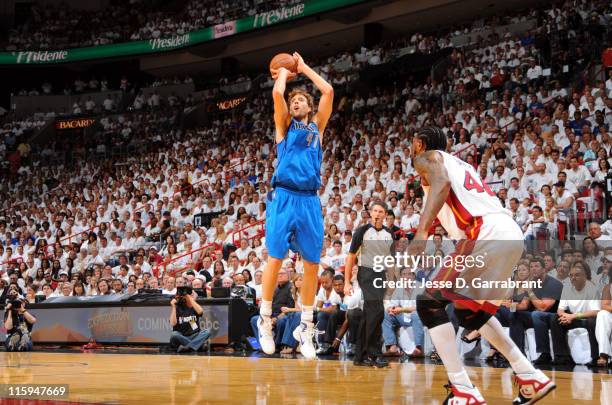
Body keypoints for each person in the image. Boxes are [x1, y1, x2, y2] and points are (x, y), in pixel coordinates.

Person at [408, 126, 554, 404]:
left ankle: (463, 390)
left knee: (428, 303)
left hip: (483, 232)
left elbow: (441, 184)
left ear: (420, 144)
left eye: (413, 144)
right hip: (509, 233)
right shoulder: (458, 163)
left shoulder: (427, 157)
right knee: (469, 314)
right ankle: (530, 376)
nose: (411, 150)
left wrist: (421, 232)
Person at [257, 51, 333, 360]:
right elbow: (278, 94)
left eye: (300, 101)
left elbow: (327, 90)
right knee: (276, 258)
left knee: (312, 263)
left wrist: (303, 67)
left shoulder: (317, 128)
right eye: (293, 102)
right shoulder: (284, 129)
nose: (294, 103)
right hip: (284, 196)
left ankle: (306, 325)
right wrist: (284, 74)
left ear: (309, 106)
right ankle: (264, 319)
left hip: (309, 199)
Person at [344, 201, 394, 368]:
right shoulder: (362, 231)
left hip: (381, 274)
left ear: (385, 214)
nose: (377, 214)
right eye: (375, 211)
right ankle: (375, 353)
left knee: (370, 314)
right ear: (371, 213)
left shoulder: (389, 233)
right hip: (366, 273)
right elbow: (351, 256)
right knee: (377, 311)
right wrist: (346, 282)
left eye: (381, 211)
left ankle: (360, 355)